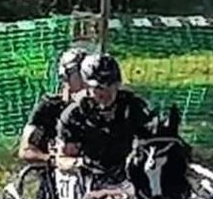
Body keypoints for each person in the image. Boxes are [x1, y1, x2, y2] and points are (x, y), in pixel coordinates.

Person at [54, 52, 155, 186]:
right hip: (90, 179)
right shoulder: (74, 114)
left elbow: (155, 138)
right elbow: (63, 158)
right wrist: (80, 163)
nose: (106, 93)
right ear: (87, 86)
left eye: (112, 85)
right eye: (99, 88)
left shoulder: (133, 106)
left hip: (127, 175)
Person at [18, 47, 87, 165]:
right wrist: (54, 161)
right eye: (81, 73)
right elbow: (26, 150)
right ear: (66, 76)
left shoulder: (100, 108)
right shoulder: (49, 107)